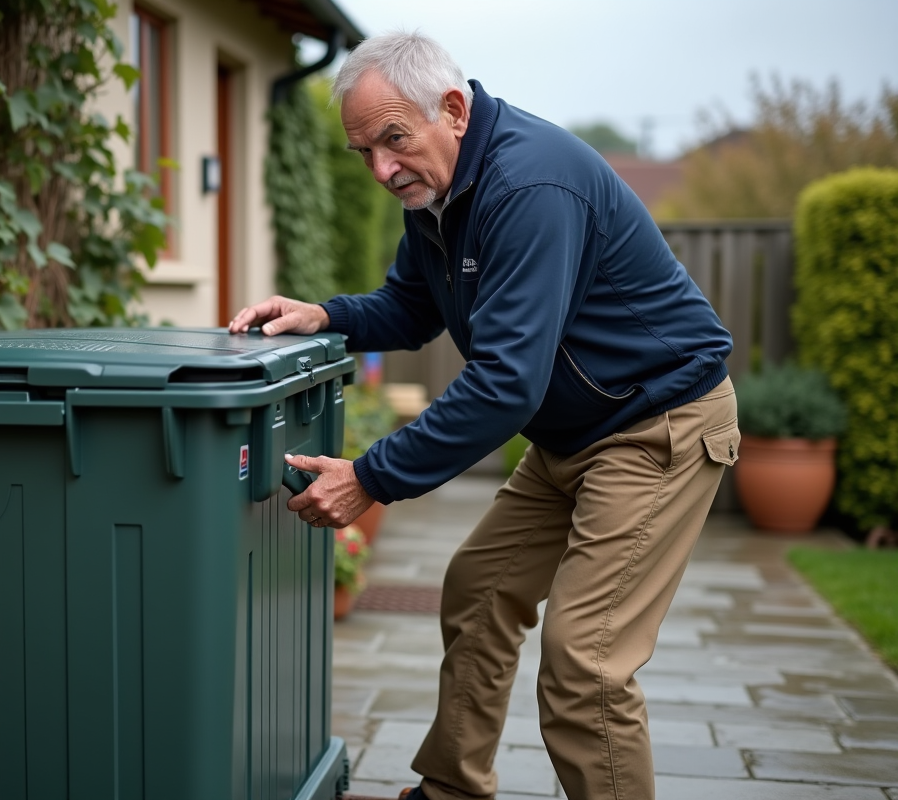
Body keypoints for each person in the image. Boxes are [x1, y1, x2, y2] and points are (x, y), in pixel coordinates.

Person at [229, 31, 738, 800]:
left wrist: (371, 476)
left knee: (586, 664)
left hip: (657, 425)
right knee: (479, 588)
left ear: (455, 110)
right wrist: (322, 315)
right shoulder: (438, 191)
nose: (381, 169)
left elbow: (505, 384)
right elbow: (410, 307)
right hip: (578, 431)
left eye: (393, 140)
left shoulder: (529, 188)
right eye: (363, 152)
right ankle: (452, 790)